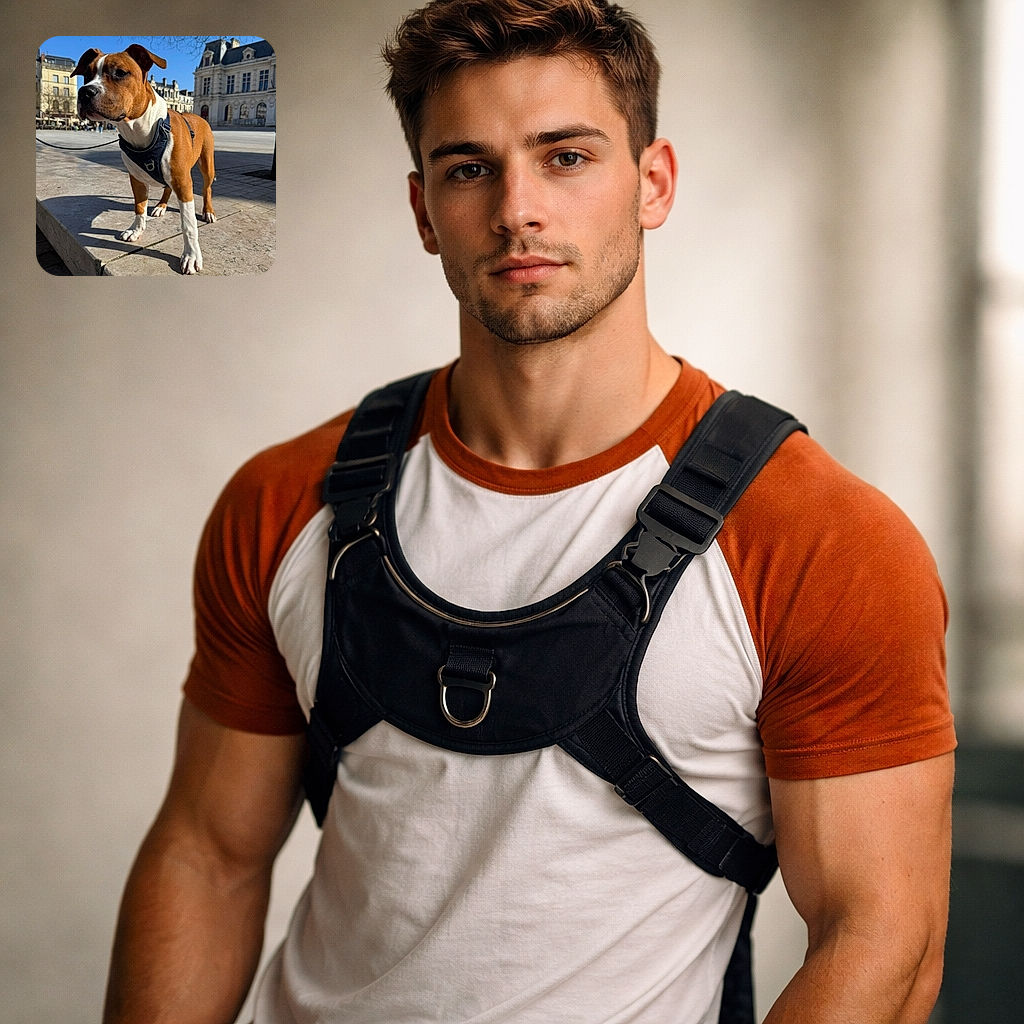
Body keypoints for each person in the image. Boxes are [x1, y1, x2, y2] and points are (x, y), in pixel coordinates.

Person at [101, 2, 956, 1022]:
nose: (516, 209)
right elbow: (208, 856)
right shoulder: (288, 503)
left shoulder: (820, 540)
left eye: (565, 158)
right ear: (423, 211)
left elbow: (885, 943)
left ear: (652, 183)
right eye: (469, 168)